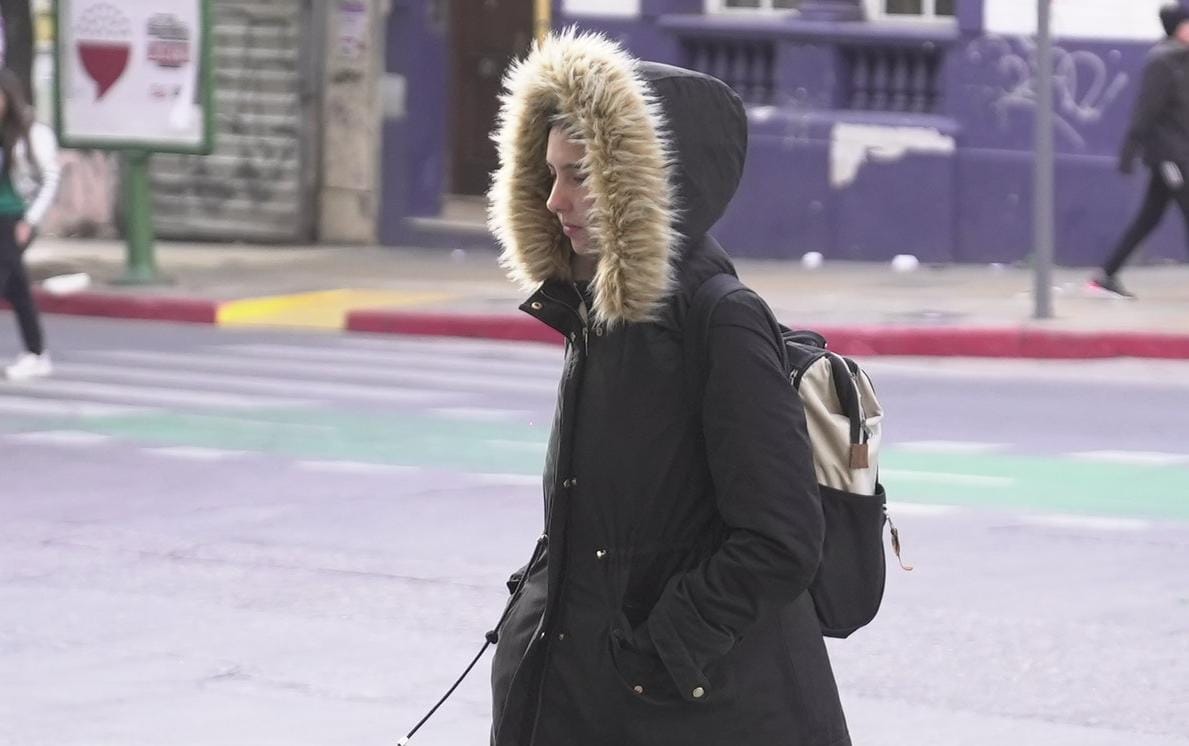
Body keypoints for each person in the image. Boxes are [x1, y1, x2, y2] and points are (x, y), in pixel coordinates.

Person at [486, 29, 849, 746]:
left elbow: (779, 540)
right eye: (549, 173)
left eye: (580, 175)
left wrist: (658, 652)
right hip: (592, 693)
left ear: (647, 184)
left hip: (684, 710)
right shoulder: (597, 314)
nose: (556, 198)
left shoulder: (718, 320)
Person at [1089, 3, 1189, 299]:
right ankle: (1105, 276)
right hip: (1170, 156)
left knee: (1149, 217)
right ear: (1177, 29)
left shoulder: (1181, 60)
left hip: (1179, 153)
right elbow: (1145, 112)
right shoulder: (1162, 62)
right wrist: (1129, 151)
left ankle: (1105, 275)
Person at [0, 67, 59, 379]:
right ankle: (36, 353)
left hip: (15, 218)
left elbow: (50, 179)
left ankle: (36, 354)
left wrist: (30, 220)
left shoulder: (33, 132)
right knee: (18, 288)